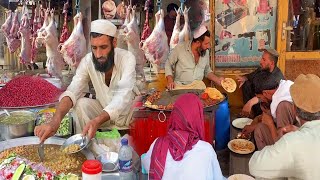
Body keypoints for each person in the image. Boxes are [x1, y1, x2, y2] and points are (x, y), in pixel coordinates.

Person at [35, 19, 136, 143]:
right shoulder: (88, 61)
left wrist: (97, 120)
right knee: (80, 103)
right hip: (103, 114)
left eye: (103, 47)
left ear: (114, 43)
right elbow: (73, 90)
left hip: (126, 118)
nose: (98, 54)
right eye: (94, 48)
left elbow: (122, 96)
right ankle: (85, 143)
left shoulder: (127, 58)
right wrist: (55, 121)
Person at [249, 74, 320, 180]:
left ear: (294, 108)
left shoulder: (293, 141)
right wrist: (299, 130)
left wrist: (270, 125)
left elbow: (254, 165)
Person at [141, 93, 225, 180]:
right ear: (198, 119)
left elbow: (147, 165)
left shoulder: (157, 144)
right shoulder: (206, 150)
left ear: (174, 115)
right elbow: (218, 177)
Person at [165, 25, 224, 90]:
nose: (209, 46)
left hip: (198, 88)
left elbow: (207, 70)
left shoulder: (206, 52)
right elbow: (168, 63)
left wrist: (218, 80)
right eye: (206, 43)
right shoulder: (180, 48)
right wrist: (170, 79)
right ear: (198, 43)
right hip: (180, 87)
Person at [236, 48, 284, 118]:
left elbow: (264, 97)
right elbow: (253, 74)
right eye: (262, 58)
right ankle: (249, 112)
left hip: (265, 107)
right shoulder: (264, 68)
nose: (260, 61)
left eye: (264, 60)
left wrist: (250, 103)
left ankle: (256, 117)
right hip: (256, 98)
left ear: (272, 63)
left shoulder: (274, 79)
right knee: (246, 83)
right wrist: (244, 78)